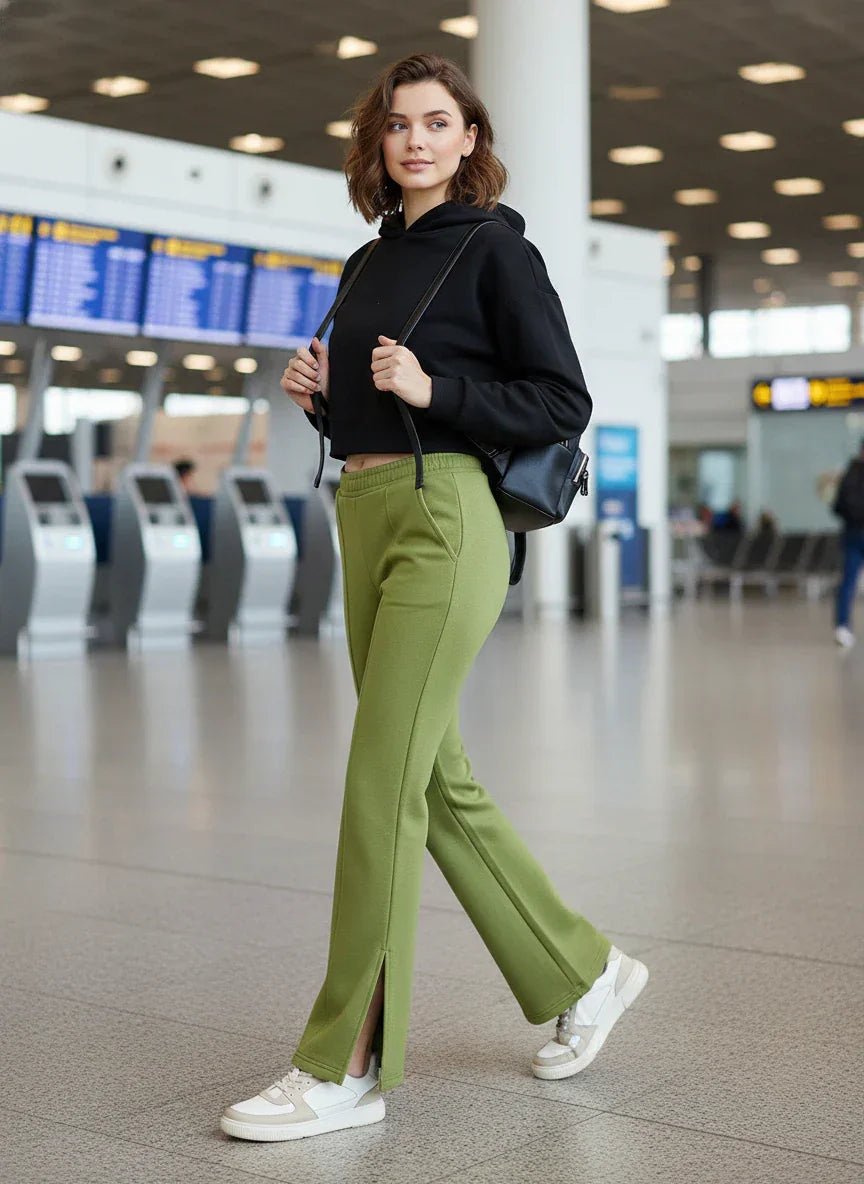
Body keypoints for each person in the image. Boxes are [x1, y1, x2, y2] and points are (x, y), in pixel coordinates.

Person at [220, 53, 648, 1144]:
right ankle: (584, 968)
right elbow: (372, 413)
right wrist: (327, 403)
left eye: (437, 122)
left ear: (469, 140)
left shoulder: (499, 251)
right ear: (379, 144)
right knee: (434, 774)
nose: (415, 139)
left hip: (446, 518)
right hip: (364, 512)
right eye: (398, 124)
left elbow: (559, 398)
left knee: (380, 782)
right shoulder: (369, 262)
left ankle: (343, 1062)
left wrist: (434, 388)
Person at [832, 436, 864, 648]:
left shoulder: (848, 475)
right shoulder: (852, 476)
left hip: (852, 532)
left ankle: (842, 626)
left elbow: (837, 506)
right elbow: (840, 506)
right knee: (849, 582)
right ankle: (842, 625)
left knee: (848, 581)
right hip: (856, 534)